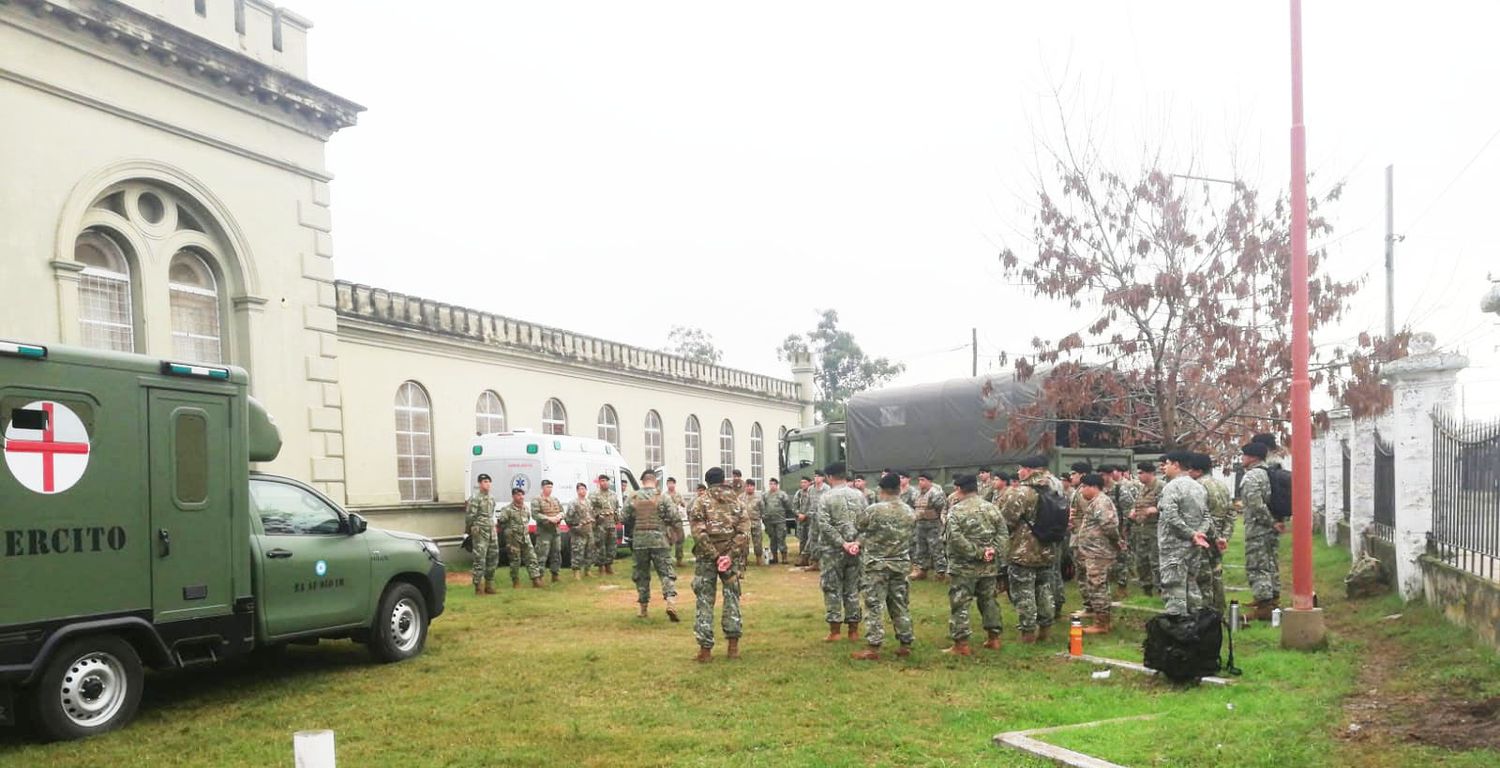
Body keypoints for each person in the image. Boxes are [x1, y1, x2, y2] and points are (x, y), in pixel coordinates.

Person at [851, 473, 917, 660]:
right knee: (900, 604)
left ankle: (873, 646)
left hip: (877, 565)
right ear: (899, 488)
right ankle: (905, 643)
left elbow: (859, 524)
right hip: (900, 564)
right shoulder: (909, 511)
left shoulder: (874, 510)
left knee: (873, 605)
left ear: (881, 489)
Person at [689, 467, 751, 662]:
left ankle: (705, 650)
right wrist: (729, 555)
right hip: (730, 558)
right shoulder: (737, 501)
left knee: (704, 600)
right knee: (732, 597)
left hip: (707, 558)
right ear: (724, 480)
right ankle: (733, 647)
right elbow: (744, 532)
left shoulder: (700, 502)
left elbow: (699, 533)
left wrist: (715, 556)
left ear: (706, 482)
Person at [942, 474, 1009, 655]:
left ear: (958, 489)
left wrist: (976, 553)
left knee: (960, 603)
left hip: (964, 566)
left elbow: (954, 539)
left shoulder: (956, 511)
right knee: (988, 600)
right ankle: (994, 638)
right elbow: (1003, 534)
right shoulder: (992, 508)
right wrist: (992, 552)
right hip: (989, 565)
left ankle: (961, 644)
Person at [998, 455, 1059, 643]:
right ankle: (1046, 631)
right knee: (1045, 590)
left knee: (1024, 592)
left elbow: (1006, 520)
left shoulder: (1022, 493)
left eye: (1021, 468)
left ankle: (1027, 634)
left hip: (1024, 551)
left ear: (1030, 470)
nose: (1018, 472)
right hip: (1048, 549)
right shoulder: (1057, 487)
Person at [815, 462, 866, 642]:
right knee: (852, 589)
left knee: (832, 588)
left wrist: (842, 543)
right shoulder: (860, 496)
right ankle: (853, 630)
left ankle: (835, 631)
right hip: (855, 550)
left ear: (829, 477)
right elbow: (866, 523)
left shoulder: (826, 497)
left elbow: (824, 525)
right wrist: (857, 543)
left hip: (833, 550)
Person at [1156, 452, 1211, 616]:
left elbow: (1170, 515)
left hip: (1174, 547)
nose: (1164, 467)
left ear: (1176, 464)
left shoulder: (1172, 486)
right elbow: (1207, 516)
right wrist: (1199, 533)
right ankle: (1196, 625)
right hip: (1194, 547)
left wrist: (1191, 534)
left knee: (1173, 588)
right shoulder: (1199, 487)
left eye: (1167, 463)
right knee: (1191, 585)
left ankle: (1178, 627)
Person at [623, 469, 682, 620]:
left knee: (641, 575)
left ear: (642, 481)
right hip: (659, 541)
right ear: (655, 481)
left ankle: (643, 609)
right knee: (666, 573)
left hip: (640, 541)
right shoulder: (663, 497)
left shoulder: (633, 497)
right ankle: (670, 602)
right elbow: (675, 517)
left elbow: (623, 517)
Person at [1074, 474, 1122, 634]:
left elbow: (1109, 526)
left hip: (1099, 552)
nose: (1081, 491)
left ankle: (1102, 623)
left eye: (1084, 487)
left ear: (1093, 487)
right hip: (1092, 551)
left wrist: (1117, 541)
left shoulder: (1101, 502)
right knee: (1094, 584)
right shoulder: (1095, 502)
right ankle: (1099, 617)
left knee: (1097, 585)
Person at [1240, 440, 1282, 620]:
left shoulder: (1251, 477)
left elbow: (1256, 505)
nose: (1242, 459)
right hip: (1270, 527)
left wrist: (1270, 522)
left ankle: (1264, 605)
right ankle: (1273, 599)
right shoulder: (1269, 473)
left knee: (1257, 565)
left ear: (1252, 457)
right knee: (1271, 563)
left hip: (1259, 528)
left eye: (1244, 455)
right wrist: (1275, 523)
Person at [1189, 453, 1234, 617]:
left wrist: (1214, 537)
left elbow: (1203, 516)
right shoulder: (1222, 485)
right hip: (1219, 537)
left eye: (1190, 470)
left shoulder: (1198, 487)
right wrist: (1224, 537)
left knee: (1203, 578)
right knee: (1217, 575)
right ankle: (1220, 611)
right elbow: (1230, 513)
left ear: (1198, 471)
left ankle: (1206, 615)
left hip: (1205, 537)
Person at [1106, 465, 1140, 599]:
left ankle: (1122, 585)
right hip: (1108, 530)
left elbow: (1128, 511)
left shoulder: (1120, 489)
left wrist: (1125, 530)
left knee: (1121, 558)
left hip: (1120, 529)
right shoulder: (1102, 490)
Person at [1130, 462, 1164, 596]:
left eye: (1141, 473)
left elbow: (1168, 506)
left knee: (1156, 561)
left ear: (1150, 473)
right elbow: (1138, 503)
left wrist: (1155, 509)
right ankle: (1146, 588)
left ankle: (1161, 589)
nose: (1139, 476)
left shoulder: (1160, 487)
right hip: (1142, 529)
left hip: (1155, 529)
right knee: (1141, 561)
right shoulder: (1142, 488)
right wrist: (1134, 510)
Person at [499, 487, 544, 588]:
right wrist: (509, 533)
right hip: (513, 539)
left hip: (525, 538)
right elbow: (502, 523)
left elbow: (527, 520)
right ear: (513, 496)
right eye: (518, 495)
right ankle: (516, 581)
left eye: (522, 495)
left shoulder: (525, 508)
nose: (521, 497)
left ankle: (535, 579)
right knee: (515, 561)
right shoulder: (507, 509)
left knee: (532, 558)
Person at [465, 473, 500, 595]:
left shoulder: (491, 498)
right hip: (480, 531)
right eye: (485, 482)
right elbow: (470, 516)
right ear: (479, 484)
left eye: (489, 482)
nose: (487, 484)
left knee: (493, 557)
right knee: (480, 558)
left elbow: (492, 513)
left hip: (491, 530)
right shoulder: (475, 498)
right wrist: (470, 530)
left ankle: (489, 584)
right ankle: (478, 586)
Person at [910, 472, 949, 581]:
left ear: (929, 481)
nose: (920, 482)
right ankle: (922, 570)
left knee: (936, 548)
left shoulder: (936, 493)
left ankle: (941, 572)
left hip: (933, 524)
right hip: (920, 524)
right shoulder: (917, 493)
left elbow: (940, 507)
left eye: (922, 480)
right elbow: (914, 506)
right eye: (919, 480)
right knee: (921, 548)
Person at [530, 479, 565, 583]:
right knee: (541, 554)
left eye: (550, 487)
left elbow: (562, 511)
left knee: (556, 553)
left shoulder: (555, 499)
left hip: (555, 531)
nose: (549, 489)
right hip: (544, 532)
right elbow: (535, 514)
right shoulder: (537, 500)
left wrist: (559, 516)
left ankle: (555, 574)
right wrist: (549, 518)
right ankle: (539, 577)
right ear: (542, 488)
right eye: (547, 487)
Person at [589, 474, 621, 576]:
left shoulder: (613, 494)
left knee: (612, 545)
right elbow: (589, 509)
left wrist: (617, 519)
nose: (604, 483)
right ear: (599, 483)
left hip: (611, 523)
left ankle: (609, 565)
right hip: (600, 524)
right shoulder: (594, 495)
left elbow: (616, 508)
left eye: (606, 481)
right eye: (602, 481)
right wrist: (597, 516)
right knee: (600, 545)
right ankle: (601, 567)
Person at [566, 482, 596, 579]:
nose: (583, 491)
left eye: (584, 489)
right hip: (578, 532)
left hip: (589, 530)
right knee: (577, 551)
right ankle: (576, 572)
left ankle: (587, 570)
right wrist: (575, 526)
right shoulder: (573, 503)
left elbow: (592, 514)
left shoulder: (588, 502)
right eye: (581, 489)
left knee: (589, 551)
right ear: (577, 491)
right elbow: (568, 518)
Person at [763, 478, 794, 564]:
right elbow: (763, 506)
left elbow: (788, 505)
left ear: (777, 485)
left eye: (773, 484)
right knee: (772, 539)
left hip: (780, 520)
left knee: (781, 538)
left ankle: (784, 557)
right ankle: (774, 557)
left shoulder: (782, 494)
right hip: (769, 521)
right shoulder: (765, 495)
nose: (772, 486)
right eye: (770, 484)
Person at [742, 479, 767, 566]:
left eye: (751, 486)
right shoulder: (741, 498)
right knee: (744, 542)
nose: (749, 488)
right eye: (747, 486)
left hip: (756, 523)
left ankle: (759, 558)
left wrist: (763, 521)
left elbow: (763, 511)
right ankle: (744, 559)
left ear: (754, 487)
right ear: (745, 487)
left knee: (758, 542)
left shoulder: (758, 498)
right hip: (744, 524)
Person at [664, 477, 687, 567]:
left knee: (680, 540)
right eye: (669, 483)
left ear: (674, 484)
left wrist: (682, 506)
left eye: (672, 483)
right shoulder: (664, 495)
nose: (670, 485)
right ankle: (666, 561)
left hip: (677, 520)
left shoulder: (678, 495)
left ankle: (679, 560)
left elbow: (684, 504)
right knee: (667, 541)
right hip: (667, 521)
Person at [794, 476, 814, 567]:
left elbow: (814, 506)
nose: (803, 484)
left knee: (811, 539)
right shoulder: (799, 493)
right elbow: (794, 506)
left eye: (805, 482)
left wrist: (806, 515)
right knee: (802, 539)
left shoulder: (813, 493)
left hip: (810, 519)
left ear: (810, 483)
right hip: (801, 520)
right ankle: (803, 558)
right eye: (802, 482)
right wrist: (798, 514)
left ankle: (812, 558)